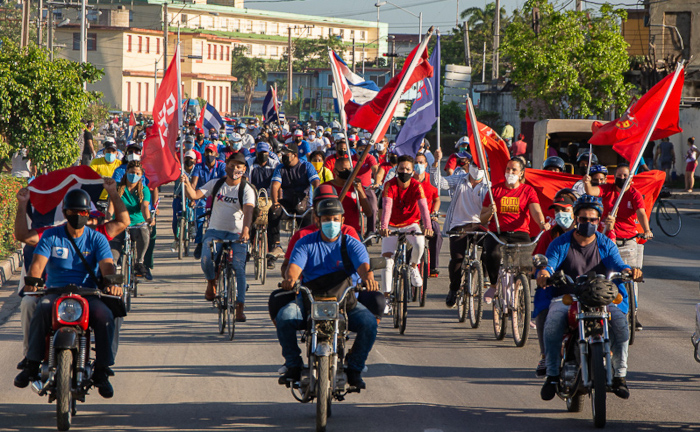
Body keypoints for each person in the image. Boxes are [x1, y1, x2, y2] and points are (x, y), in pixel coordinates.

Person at [14, 189, 122, 398]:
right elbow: (37, 266)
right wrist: (32, 284)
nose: (78, 215)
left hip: (87, 294)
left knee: (105, 315)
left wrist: (111, 284)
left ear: (88, 214)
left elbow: (107, 268)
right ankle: (32, 363)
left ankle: (102, 371)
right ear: (64, 212)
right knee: (41, 308)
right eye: (73, 211)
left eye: (82, 212)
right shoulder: (51, 236)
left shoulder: (97, 239)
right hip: (55, 293)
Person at [537, 195, 643, 401]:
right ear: (576, 219)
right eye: (584, 219)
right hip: (568, 297)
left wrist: (630, 270)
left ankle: (620, 376)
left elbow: (618, 264)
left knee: (621, 326)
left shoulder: (605, 243)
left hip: (600, 298)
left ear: (599, 220)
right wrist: (545, 273)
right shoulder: (560, 243)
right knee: (552, 324)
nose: (588, 223)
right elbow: (549, 263)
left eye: (593, 220)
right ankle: (551, 375)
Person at [276, 198, 379, 388]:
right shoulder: (305, 243)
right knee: (285, 317)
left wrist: (368, 280)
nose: (331, 223)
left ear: (342, 219)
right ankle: (293, 364)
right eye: (326, 219)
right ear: (317, 219)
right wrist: (290, 280)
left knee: (369, 323)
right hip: (309, 300)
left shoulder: (351, 243)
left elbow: (364, 266)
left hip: (344, 302)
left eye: (335, 219)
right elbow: (294, 268)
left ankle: (355, 367)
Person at [181, 152, 254, 319]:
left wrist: (246, 230)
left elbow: (249, 210)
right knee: (206, 259)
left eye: (239, 166)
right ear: (226, 165)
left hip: (237, 234)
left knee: (239, 268)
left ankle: (240, 307)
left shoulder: (246, 189)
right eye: (232, 165)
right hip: (214, 231)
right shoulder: (216, 184)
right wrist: (186, 183)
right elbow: (194, 195)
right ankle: (211, 283)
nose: (235, 169)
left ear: (244, 169)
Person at [480, 158, 549, 301]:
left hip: (520, 233)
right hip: (498, 233)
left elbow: (536, 211)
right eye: (508, 169)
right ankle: (493, 286)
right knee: (492, 254)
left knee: (524, 266)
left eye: (514, 170)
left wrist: (542, 223)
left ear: (521, 173)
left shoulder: (527, 190)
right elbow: (482, 219)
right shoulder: (494, 190)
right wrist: (490, 212)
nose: (510, 172)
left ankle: (523, 304)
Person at [429, 148, 489, 306]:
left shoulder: (488, 185)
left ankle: (486, 277)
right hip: (459, 225)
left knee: (492, 249)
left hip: (480, 225)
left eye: (482, 166)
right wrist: (436, 162)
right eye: (476, 165)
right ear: (470, 165)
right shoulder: (460, 179)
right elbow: (438, 183)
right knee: (457, 259)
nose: (478, 169)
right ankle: (453, 288)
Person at [380, 156, 434, 308]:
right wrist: (384, 226)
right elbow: (387, 207)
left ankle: (413, 266)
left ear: (412, 171)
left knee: (419, 243)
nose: (404, 171)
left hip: (411, 224)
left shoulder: (417, 186)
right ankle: (386, 297)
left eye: (408, 169)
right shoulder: (389, 185)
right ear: (396, 170)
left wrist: (427, 227)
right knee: (387, 261)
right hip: (391, 226)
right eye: (401, 169)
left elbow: (424, 208)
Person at [532, 193, 576, 377]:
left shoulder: (590, 235)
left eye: (564, 209)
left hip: (583, 286)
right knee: (543, 306)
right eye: (557, 210)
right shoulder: (549, 235)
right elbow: (538, 259)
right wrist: (542, 272)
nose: (560, 214)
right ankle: (545, 355)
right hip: (555, 286)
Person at [267, 141, 321, 257]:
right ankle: (276, 246)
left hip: (304, 203)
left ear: (295, 155)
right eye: (282, 154)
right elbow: (275, 185)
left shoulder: (306, 166)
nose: (283, 157)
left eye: (286, 155)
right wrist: (275, 202)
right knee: (273, 212)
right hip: (287, 202)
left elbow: (316, 182)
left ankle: (310, 252)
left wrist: (317, 201)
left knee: (309, 229)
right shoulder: (280, 168)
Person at [108, 161, 154, 280]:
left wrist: (148, 219)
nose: (134, 175)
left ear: (141, 175)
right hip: (119, 224)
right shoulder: (117, 188)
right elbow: (111, 205)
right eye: (132, 172)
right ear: (126, 172)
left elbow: (144, 207)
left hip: (137, 225)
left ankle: (139, 262)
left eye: (137, 173)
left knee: (145, 232)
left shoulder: (144, 190)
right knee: (113, 249)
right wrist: (107, 218)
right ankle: (113, 267)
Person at [190, 143, 227, 258]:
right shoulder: (198, 166)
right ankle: (199, 242)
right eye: (207, 152)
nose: (209, 154)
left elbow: (224, 182)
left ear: (216, 154)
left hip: (217, 196)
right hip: (202, 196)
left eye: (211, 152)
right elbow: (194, 183)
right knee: (199, 216)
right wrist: (192, 197)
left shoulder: (221, 166)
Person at [413, 153, 442, 277]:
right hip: (412, 218)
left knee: (437, 233)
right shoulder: (409, 180)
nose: (418, 165)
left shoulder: (431, 179)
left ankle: (433, 266)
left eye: (421, 162)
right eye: (416, 162)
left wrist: (434, 212)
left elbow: (437, 199)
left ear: (426, 164)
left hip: (428, 218)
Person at [327, 157, 372, 234]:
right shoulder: (326, 187)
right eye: (343, 169)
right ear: (335, 171)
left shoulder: (356, 186)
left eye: (349, 169)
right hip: (332, 231)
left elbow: (368, 213)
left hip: (353, 231)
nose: (347, 172)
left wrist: (360, 190)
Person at [171, 150, 198, 250]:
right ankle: (176, 240)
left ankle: (191, 226)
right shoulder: (179, 170)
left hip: (191, 197)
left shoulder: (196, 171)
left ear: (194, 160)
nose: (188, 160)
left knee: (191, 212)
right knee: (175, 220)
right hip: (178, 197)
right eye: (187, 158)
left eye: (190, 159)